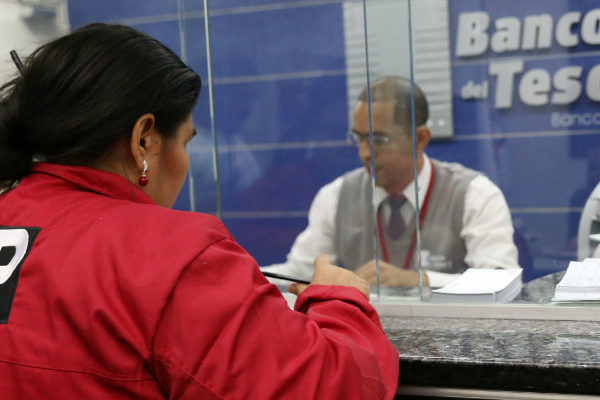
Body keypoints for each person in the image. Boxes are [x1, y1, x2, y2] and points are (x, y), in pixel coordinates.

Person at [0, 24, 398, 399]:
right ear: (144, 140)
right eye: (186, 142)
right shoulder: (169, 254)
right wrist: (342, 302)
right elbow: (330, 387)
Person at [263, 76, 520, 288]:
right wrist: (244, 277)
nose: (365, 153)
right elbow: (299, 272)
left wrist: (420, 280)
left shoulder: (473, 194)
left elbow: (502, 281)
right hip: (360, 343)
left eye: (379, 140)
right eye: (360, 138)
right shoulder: (336, 196)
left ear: (420, 138)